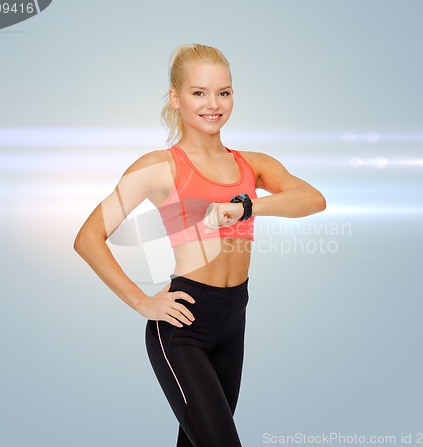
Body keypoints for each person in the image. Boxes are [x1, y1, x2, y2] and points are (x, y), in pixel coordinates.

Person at [74, 43, 326, 447]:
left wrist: (244, 207)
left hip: (234, 320)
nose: (214, 104)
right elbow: (87, 238)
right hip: (183, 324)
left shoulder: (250, 163)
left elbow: (313, 199)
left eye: (223, 92)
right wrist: (143, 302)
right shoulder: (160, 165)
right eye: (199, 93)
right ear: (176, 98)